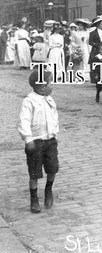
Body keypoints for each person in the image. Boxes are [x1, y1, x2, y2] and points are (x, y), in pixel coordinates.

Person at [18, 70, 59, 213]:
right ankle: (34, 199)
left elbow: (54, 118)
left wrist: (54, 133)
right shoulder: (29, 102)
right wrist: (28, 139)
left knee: (52, 167)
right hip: (36, 142)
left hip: (50, 141)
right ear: (42, 87)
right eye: (50, 83)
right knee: (34, 172)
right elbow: (24, 121)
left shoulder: (49, 100)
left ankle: (48, 190)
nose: (52, 85)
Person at [88, 16, 102, 83]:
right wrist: (98, 44)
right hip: (96, 51)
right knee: (96, 65)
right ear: (98, 24)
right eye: (101, 24)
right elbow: (90, 42)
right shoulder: (93, 33)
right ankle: (96, 78)